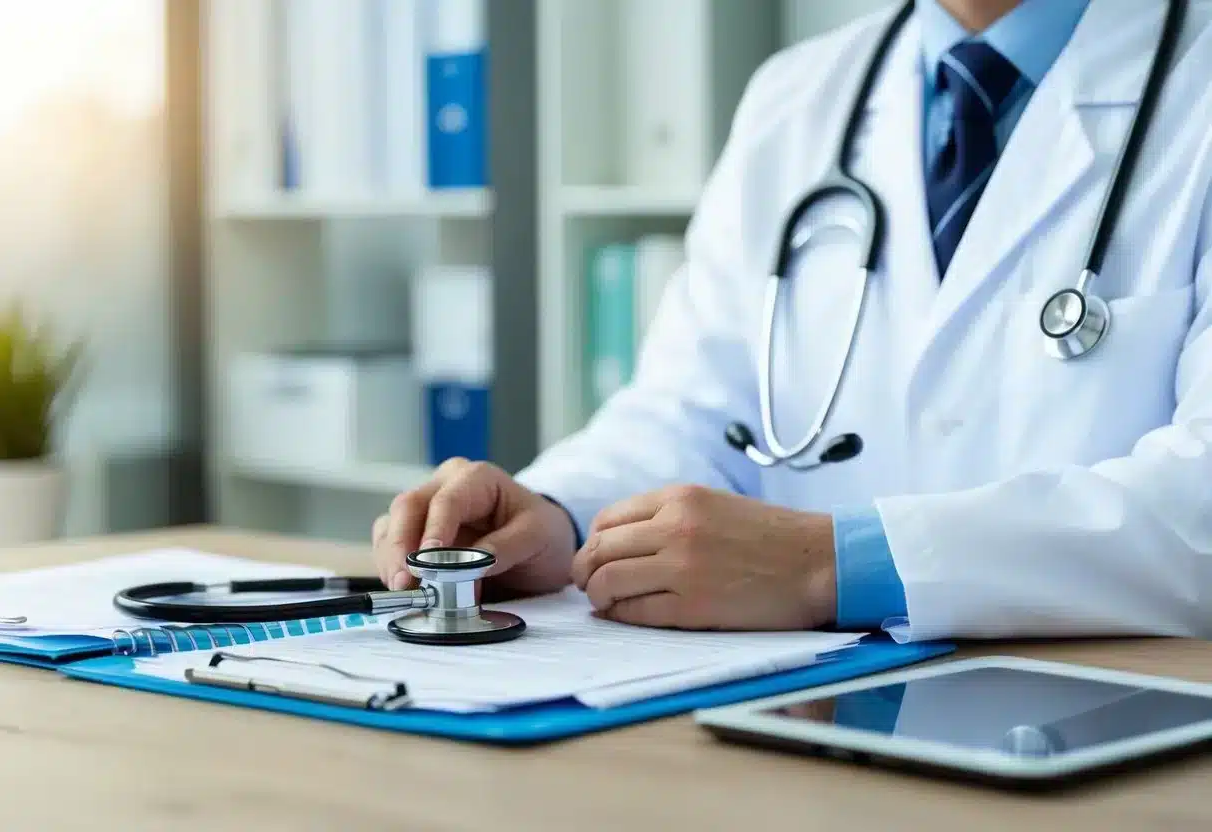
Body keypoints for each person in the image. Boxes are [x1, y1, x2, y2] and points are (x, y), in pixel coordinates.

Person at [374, 0, 1212, 642]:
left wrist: (832, 565)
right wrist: (558, 518)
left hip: (1112, 730)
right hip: (809, 722)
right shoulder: (798, 96)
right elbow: (691, 413)